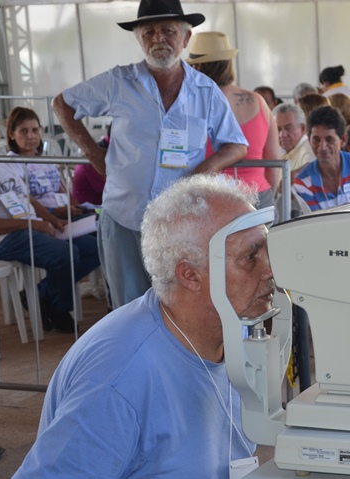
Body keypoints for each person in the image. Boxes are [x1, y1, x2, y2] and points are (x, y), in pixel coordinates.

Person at [0, 174, 350, 479]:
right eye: (252, 257)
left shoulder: (234, 337)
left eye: (266, 249)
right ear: (190, 275)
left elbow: (196, 474)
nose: (271, 269)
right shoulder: (121, 375)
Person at [52, 0, 248, 309]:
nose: (158, 39)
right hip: (124, 218)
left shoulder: (206, 91)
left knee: (180, 305)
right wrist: (94, 154)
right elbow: (62, 104)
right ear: (140, 40)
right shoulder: (118, 82)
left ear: (185, 39)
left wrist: (207, 167)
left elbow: (237, 144)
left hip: (180, 221)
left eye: (168, 31)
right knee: (128, 309)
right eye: (149, 32)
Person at [0, 153, 100, 334]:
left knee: (95, 249)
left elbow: (29, 199)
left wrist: (53, 220)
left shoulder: (5, 164)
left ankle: (43, 294)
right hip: (7, 236)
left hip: (30, 226)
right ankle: (60, 307)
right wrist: (34, 224)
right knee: (65, 253)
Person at [188, 32, 281, 212]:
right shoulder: (259, 101)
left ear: (198, 66)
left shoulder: (192, 104)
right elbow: (274, 163)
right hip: (259, 197)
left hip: (212, 202)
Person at [5, 107, 87, 220]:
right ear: (11, 134)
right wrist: (55, 212)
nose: (31, 136)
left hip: (66, 214)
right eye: (23, 131)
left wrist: (78, 209)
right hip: (45, 220)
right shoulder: (10, 164)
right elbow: (23, 202)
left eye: (35, 130)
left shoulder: (45, 161)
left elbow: (63, 191)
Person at [274, 103, 315, 174]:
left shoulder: (309, 150)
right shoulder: (281, 151)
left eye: (288, 128)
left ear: (303, 128)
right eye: (278, 129)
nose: (282, 135)